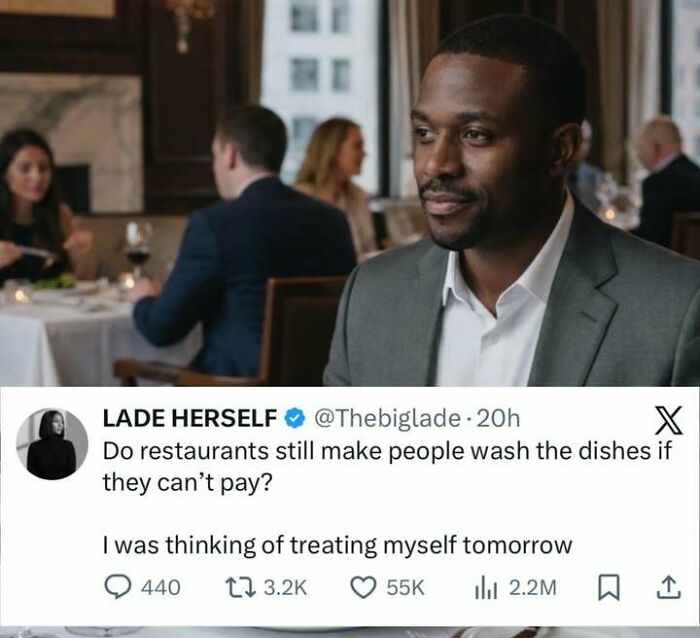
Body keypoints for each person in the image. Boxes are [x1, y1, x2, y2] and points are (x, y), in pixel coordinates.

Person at [325, 15, 700, 387]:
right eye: (424, 133)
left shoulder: (678, 308)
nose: (436, 164)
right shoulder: (371, 294)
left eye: (475, 135)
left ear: (559, 150)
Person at [131, 104, 356, 377]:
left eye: (215, 155)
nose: (215, 166)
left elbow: (161, 329)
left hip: (236, 395)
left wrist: (143, 298)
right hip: (321, 387)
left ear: (230, 155)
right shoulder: (334, 221)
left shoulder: (215, 225)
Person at [0, 129, 94, 284]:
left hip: (52, 306)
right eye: (25, 168)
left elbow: (82, 280)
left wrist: (82, 255)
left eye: (43, 168)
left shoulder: (60, 214)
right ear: (4, 174)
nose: (37, 177)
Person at [296, 118, 377, 258]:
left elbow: (368, 248)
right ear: (333, 149)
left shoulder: (358, 196)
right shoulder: (300, 198)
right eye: (357, 146)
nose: (364, 153)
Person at [632, 116, 700, 248]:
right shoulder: (696, 173)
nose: (638, 155)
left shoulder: (656, 183)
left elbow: (648, 239)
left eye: (641, 147)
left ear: (654, 145)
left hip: (665, 264)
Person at [26, 410, 76, 481]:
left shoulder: (68, 446)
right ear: (47, 423)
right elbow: (31, 473)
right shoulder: (34, 447)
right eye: (56, 421)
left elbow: (71, 473)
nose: (60, 425)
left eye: (62, 422)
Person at [567, 119, 603, 213]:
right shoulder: (551, 175)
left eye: (587, 141)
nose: (583, 147)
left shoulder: (595, 175)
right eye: (580, 140)